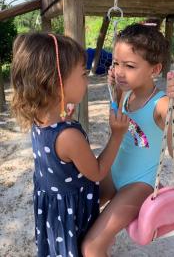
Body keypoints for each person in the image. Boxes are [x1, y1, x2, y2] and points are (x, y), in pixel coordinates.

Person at [11, 33, 129, 257]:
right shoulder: (68, 136)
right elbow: (96, 172)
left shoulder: (40, 120)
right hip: (71, 208)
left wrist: (65, 114)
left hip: (53, 205)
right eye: (83, 74)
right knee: (115, 186)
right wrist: (116, 135)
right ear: (56, 85)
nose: (87, 79)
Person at [81, 23, 174, 257]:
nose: (120, 71)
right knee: (80, 209)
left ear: (155, 69)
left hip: (139, 184)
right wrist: (114, 86)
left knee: (92, 247)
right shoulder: (127, 92)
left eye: (129, 66)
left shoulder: (161, 104)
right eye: (117, 63)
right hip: (115, 172)